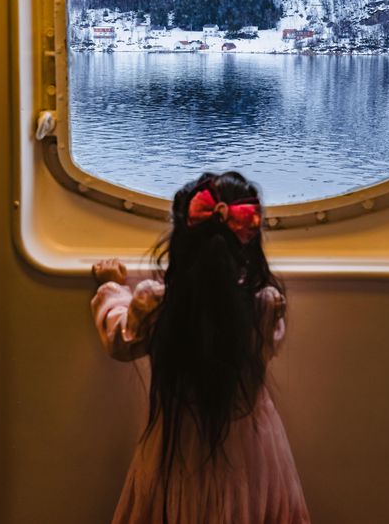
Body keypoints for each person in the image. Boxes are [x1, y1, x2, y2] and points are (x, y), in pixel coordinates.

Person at [91, 170, 311, 524]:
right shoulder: (266, 306)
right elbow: (272, 345)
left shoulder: (157, 303)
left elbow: (120, 340)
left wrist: (113, 289)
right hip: (254, 451)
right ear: (249, 244)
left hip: (177, 449)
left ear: (180, 241)